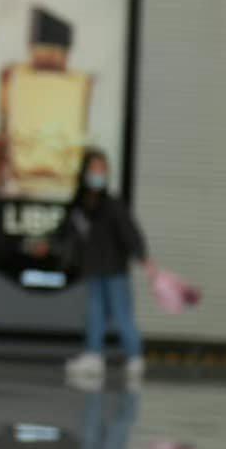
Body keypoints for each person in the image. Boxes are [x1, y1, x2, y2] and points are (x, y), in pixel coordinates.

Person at [41, 149, 155, 386]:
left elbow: (130, 233)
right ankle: (93, 356)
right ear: (85, 172)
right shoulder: (80, 207)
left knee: (122, 313)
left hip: (115, 270)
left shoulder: (112, 205)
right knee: (95, 313)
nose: (98, 174)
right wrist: (49, 245)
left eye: (103, 169)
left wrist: (143, 257)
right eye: (95, 169)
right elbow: (65, 233)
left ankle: (135, 357)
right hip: (93, 269)